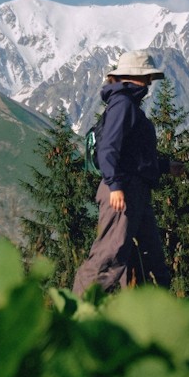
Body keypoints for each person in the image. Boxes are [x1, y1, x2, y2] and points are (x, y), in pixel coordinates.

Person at [72, 50, 181, 295]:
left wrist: (164, 167)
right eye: (148, 77)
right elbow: (109, 148)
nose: (150, 83)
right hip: (123, 191)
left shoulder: (127, 104)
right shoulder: (123, 104)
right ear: (137, 77)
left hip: (134, 189)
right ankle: (75, 313)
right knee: (109, 255)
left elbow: (133, 154)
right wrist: (115, 185)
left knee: (149, 258)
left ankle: (147, 314)